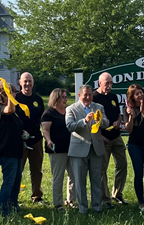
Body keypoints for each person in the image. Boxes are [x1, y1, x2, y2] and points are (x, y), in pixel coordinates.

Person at [66, 85, 109, 214]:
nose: (88, 97)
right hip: (78, 150)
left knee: (96, 179)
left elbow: (107, 123)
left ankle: (97, 207)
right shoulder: (71, 109)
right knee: (80, 181)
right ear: (79, 95)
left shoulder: (98, 107)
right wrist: (84, 121)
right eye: (85, 95)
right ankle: (83, 209)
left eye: (90, 95)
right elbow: (70, 126)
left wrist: (99, 120)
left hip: (96, 149)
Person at [0, 82, 27, 216]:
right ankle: (3, 209)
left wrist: (22, 133)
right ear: (3, 94)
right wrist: (9, 97)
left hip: (17, 149)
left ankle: (13, 204)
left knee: (17, 180)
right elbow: (9, 110)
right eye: (12, 92)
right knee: (9, 181)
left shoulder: (13, 112)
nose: (15, 95)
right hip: (7, 151)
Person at [93, 72, 128, 208]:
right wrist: (99, 136)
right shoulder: (94, 98)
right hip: (103, 138)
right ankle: (105, 199)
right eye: (106, 83)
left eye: (111, 83)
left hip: (116, 136)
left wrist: (119, 121)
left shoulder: (113, 97)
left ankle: (117, 194)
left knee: (123, 164)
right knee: (102, 170)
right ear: (99, 83)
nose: (109, 86)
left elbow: (118, 113)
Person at [41, 88, 76, 210]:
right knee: (58, 176)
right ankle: (58, 203)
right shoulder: (49, 113)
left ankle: (71, 200)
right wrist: (49, 140)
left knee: (74, 175)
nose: (66, 99)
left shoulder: (69, 111)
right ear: (56, 98)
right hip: (56, 149)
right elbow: (45, 130)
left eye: (66, 97)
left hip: (71, 148)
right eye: (64, 97)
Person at [15, 72, 46, 204]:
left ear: (33, 83)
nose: (27, 84)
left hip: (36, 140)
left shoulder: (38, 99)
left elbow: (42, 119)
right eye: (25, 81)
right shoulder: (15, 98)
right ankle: (13, 197)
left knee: (37, 170)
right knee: (17, 171)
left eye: (30, 81)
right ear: (20, 82)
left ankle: (37, 196)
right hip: (20, 141)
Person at [124, 84, 144, 212]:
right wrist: (130, 116)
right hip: (134, 145)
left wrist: (143, 113)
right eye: (136, 94)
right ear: (132, 96)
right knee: (138, 173)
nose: (140, 95)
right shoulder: (128, 109)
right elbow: (129, 130)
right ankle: (141, 203)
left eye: (141, 92)